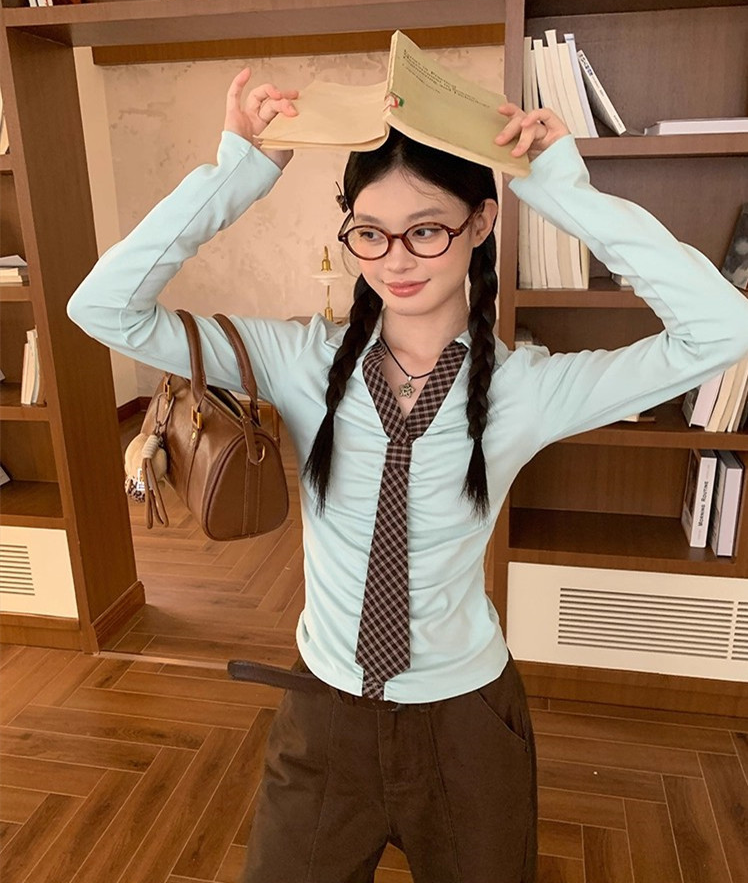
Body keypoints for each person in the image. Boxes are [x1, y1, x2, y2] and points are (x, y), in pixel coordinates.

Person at [67, 64, 748, 883]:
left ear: (480, 222)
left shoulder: (527, 390)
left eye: (426, 230)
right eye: (370, 233)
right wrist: (238, 171)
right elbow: (101, 307)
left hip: (465, 728)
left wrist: (562, 190)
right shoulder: (298, 361)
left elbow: (722, 329)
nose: (396, 260)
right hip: (323, 717)